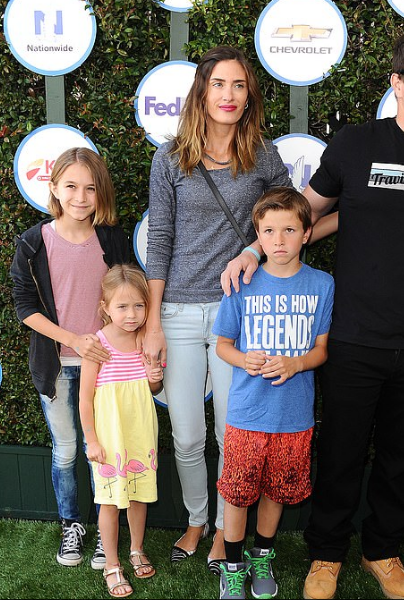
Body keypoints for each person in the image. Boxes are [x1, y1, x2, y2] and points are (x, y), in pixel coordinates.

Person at [222, 28, 404, 600]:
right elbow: (299, 217)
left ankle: (383, 551)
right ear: (397, 82)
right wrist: (250, 248)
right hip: (351, 337)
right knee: (339, 453)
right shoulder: (354, 145)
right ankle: (325, 555)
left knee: (396, 459)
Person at [143, 45, 292, 571]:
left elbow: (291, 220)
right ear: (201, 93)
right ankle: (195, 519)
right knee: (186, 434)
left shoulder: (264, 155)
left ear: (249, 94)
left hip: (240, 312)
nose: (229, 96)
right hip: (179, 313)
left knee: (234, 433)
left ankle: (226, 537)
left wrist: (253, 248)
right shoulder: (170, 158)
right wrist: (153, 322)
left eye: (239, 85)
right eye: (219, 85)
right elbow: (159, 237)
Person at [10, 147, 130, 569]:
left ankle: (105, 530)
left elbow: (129, 297)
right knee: (65, 450)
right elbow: (25, 307)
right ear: (55, 188)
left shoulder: (112, 239)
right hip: (57, 365)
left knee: (104, 448)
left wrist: (101, 343)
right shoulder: (32, 242)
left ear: (101, 193)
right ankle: (71, 526)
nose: (81, 196)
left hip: (107, 365)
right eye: (71, 186)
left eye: (90, 188)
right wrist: (73, 340)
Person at [213, 187, 334, 599]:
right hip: (246, 413)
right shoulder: (242, 283)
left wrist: (296, 363)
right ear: (257, 236)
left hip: (294, 415)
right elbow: (223, 344)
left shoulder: (323, 284)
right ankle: (233, 566)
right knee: (237, 491)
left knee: (276, 491)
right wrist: (243, 358)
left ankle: (262, 556)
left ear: (307, 232)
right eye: (268, 231)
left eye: (288, 230)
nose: (278, 241)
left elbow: (321, 349)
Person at [79, 264, 162, 598]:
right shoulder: (97, 346)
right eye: (122, 307)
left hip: (141, 433)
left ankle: (137, 548)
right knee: (111, 503)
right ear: (106, 307)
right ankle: (112, 563)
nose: (132, 314)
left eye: (139, 306)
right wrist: (92, 440)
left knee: (139, 496)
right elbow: (86, 399)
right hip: (109, 439)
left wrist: (155, 376)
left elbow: (154, 390)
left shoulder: (146, 339)